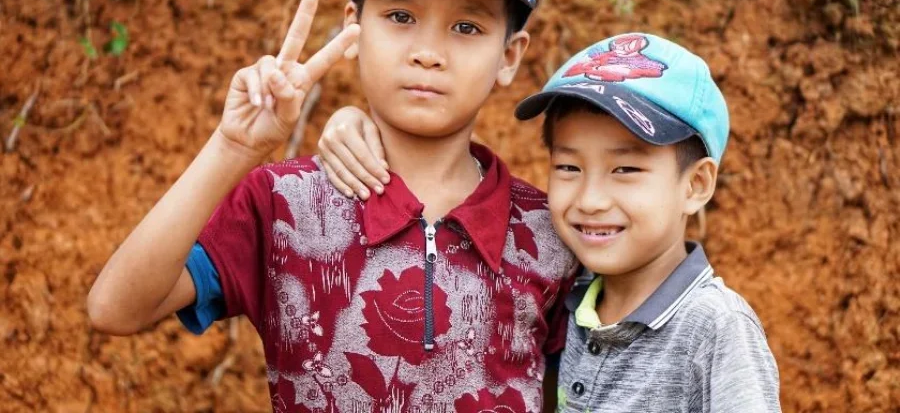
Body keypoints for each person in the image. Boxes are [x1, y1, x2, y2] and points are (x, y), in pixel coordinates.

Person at [88, 0, 577, 412]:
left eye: (466, 27)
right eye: (400, 15)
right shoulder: (284, 205)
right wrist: (233, 146)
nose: (428, 53)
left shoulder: (547, 232)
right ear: (354, 28)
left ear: (508, 56)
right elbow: (116, 308)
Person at [318, 32, 782, 412]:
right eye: (568, 168)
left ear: (696, 185)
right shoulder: (566, 289)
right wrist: (352, 121)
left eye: (626, 170)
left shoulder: (716, 328)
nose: (591, 199)